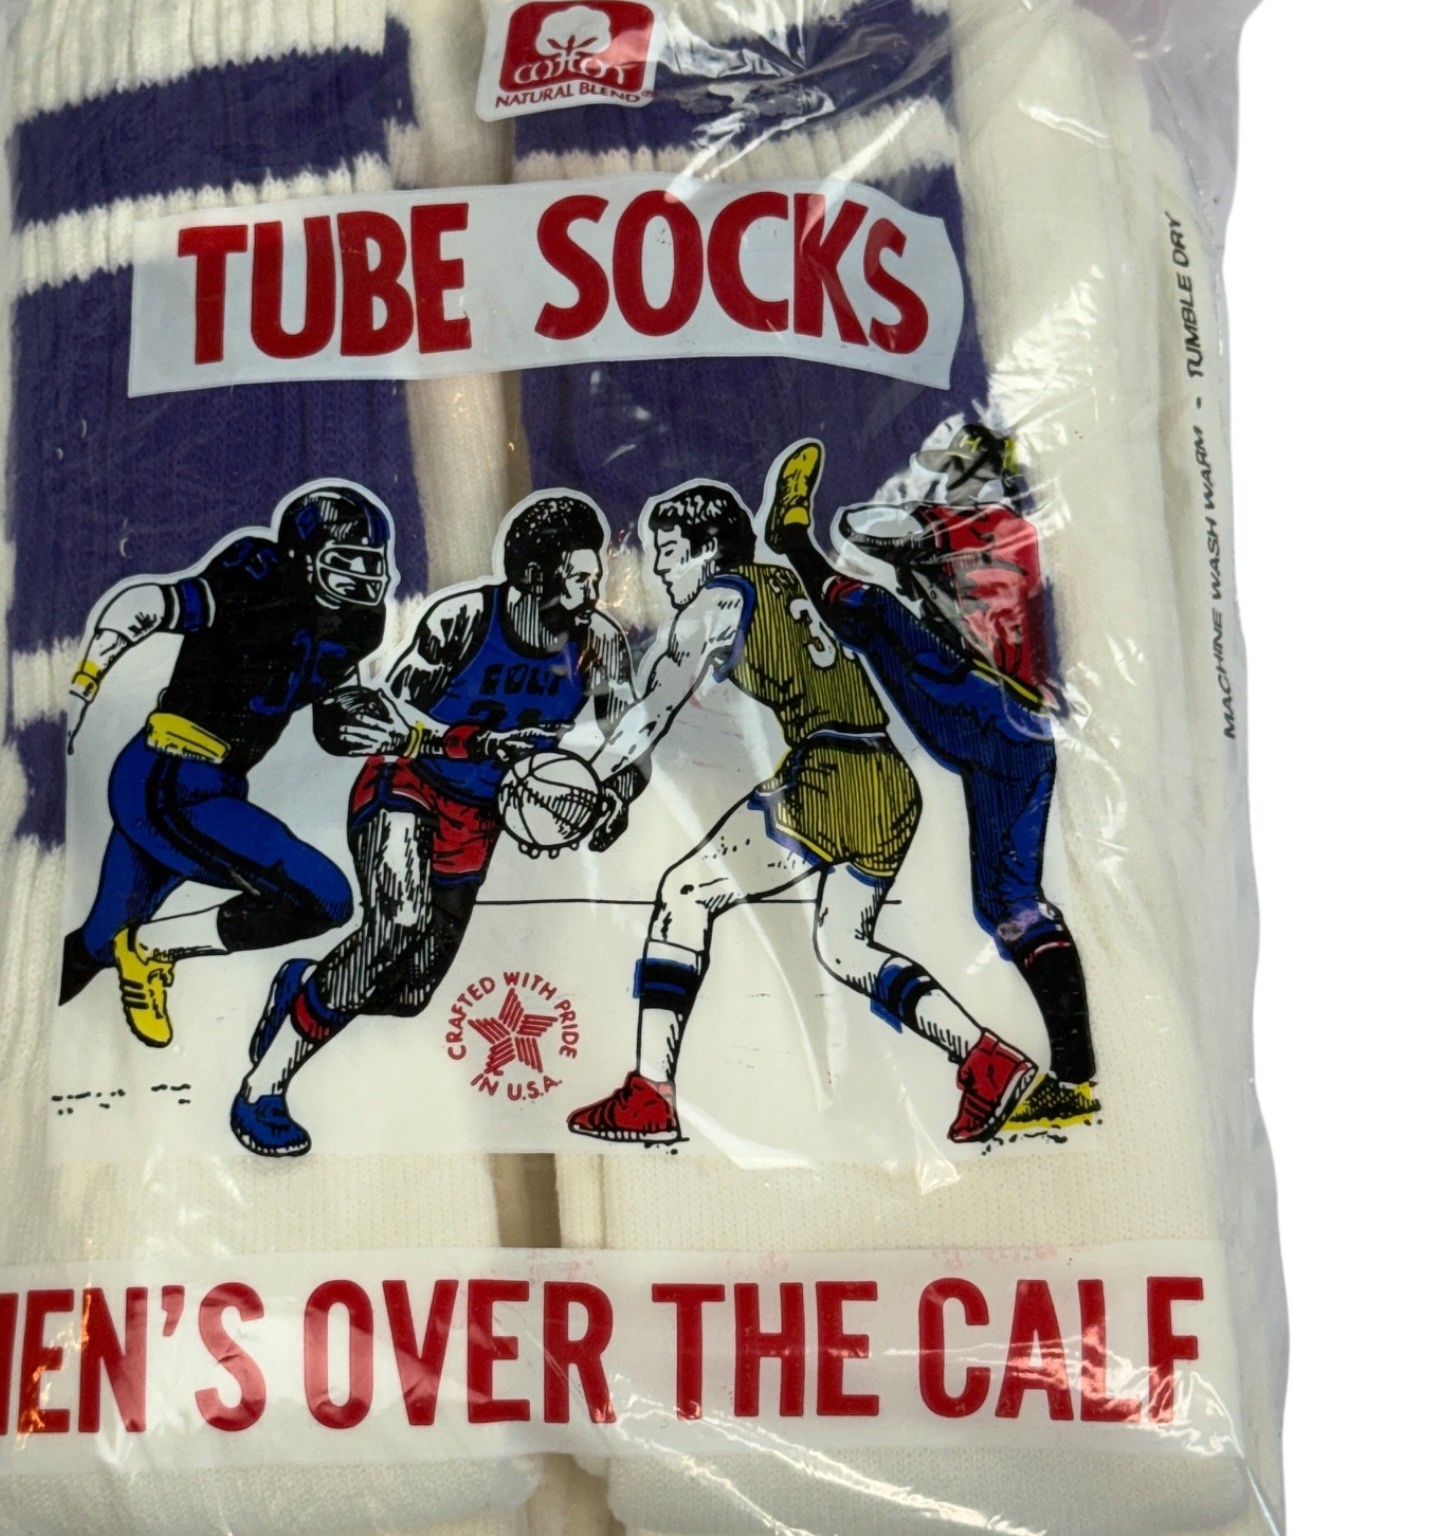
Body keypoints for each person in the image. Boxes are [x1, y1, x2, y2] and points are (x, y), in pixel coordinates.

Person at [565, 480, 1036, 1150]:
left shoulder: (718, 599)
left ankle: (650, 1095)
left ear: (706, 550)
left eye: (668, 551)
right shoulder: (782, 582)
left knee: (684, 894)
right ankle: (986, 1059)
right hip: (887, 781)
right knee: (844, 947)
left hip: (831, 773)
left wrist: (586, 772)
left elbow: (654, 708)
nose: (659, 568)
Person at [232, 492, 640, 1157]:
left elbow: (629, 741)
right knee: (396, 924)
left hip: (479, 817)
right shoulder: (463, 620)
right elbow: (384, 721)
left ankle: (309, 985)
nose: (593, 593)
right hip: (407, 784)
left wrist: (611, 797)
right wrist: (476, 745)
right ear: (533, 576)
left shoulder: (599, 643)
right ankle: (263, 1089)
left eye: (596, 579)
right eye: (579, 579)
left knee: (410, 991)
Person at [765, 429, 1098, 1127]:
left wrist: (914, 528)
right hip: (1028, 732)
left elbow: (864, 526)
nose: (947, 479)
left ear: (987, 474)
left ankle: (789, 537)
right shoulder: (1028, 535)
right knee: (1012, 904)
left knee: (870, 613)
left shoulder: (964, 522)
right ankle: (1077, 1078)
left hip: (977, 704)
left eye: (957, 469)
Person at [59, 482, 396, 1048]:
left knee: (98, 940)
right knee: (325, 897)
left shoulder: (360, 624)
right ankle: (153, 948)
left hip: (214, 787)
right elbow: (144, 604)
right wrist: (82, 686)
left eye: (371, 562)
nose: (362, 576)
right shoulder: (258, 573)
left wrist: (362, 726)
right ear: (302, 557)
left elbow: (333, 712)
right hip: (168, 778)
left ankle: (13, 1019)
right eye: (346, 560)